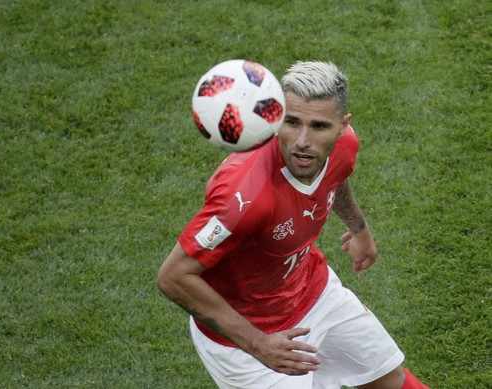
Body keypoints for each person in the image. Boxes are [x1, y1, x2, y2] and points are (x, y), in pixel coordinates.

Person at [157, 61, 429, 389]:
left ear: (342, 126)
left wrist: (359, 229)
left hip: (312, 291)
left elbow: (335, 176)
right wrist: (258, 344)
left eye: (318, 126)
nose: (302, 141)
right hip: (248, 338)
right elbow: (173, 277)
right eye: (292, 122)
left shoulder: (344, 147)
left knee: (391, 380)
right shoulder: (243, 195)